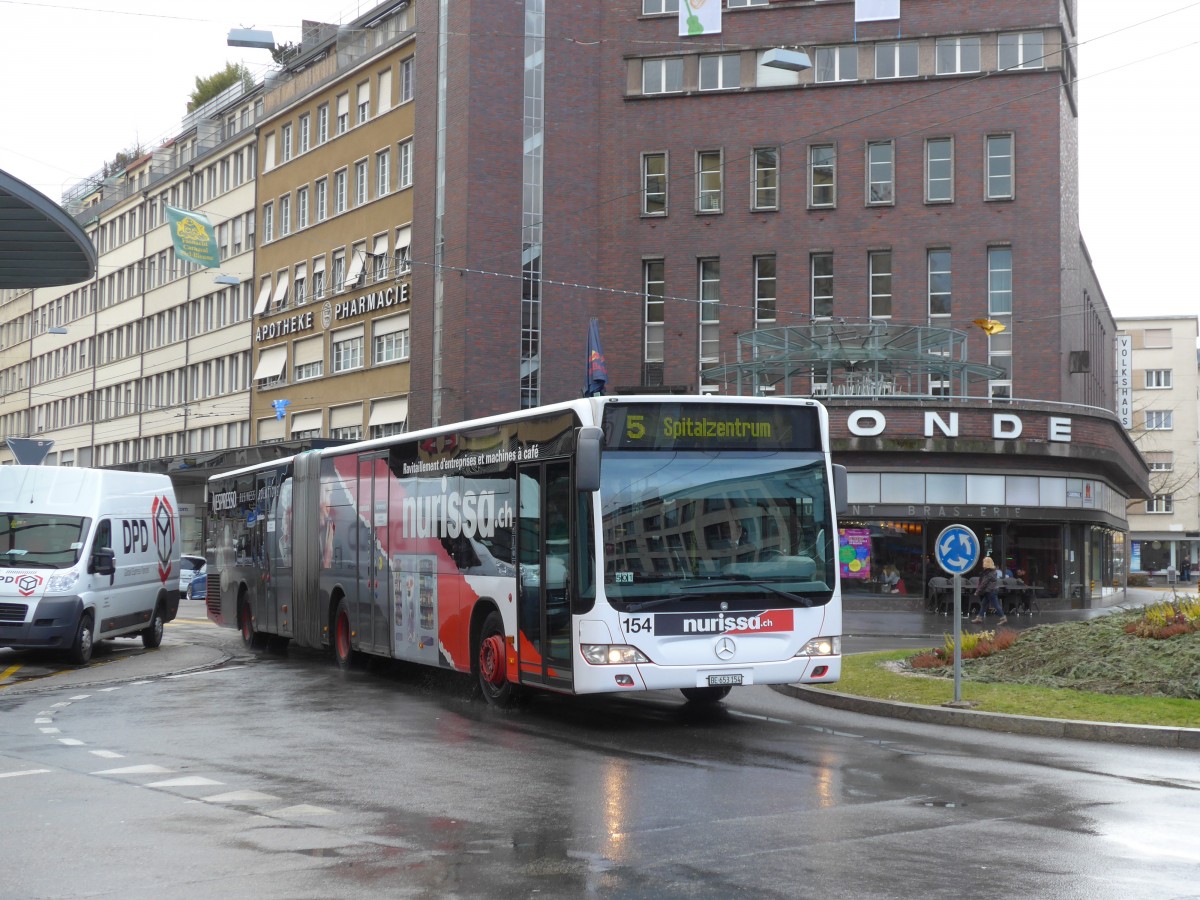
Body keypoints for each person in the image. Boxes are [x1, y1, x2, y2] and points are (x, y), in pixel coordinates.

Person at [972, 556, 1006, 625]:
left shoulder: (989, 572)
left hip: (990, 591)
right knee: (984, 604)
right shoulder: (992, 571)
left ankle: (1003, 618)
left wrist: (977, 592)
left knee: (995, 605)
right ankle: (979, 618)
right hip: (990, 590)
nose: (983, 563)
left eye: (984, 562)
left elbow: (984, 583)